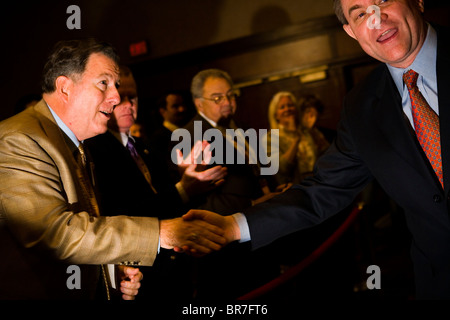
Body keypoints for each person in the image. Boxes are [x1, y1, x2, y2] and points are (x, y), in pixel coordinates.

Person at [184, 0, 450, 299]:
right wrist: (232, 227)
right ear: (351, 31)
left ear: (418, 1)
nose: (375, 18)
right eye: (360, 13)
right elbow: (323, 189)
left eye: (383, 0)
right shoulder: (360, 105)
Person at [0, 38, 225, 300]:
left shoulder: (74, 143)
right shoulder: (18, 139)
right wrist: (162, 232)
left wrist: (109, 270)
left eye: (116, 86)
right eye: (103, 84)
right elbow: (53, 235)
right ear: (65, 88)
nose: (116, 97)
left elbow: (87, 230)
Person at [84, 65, 227, 299]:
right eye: (120, 97)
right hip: (139, 278)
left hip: (175, 269)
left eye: (133, 97)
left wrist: (193, 178)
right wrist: (183, 189)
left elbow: (167, 201)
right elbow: (121, 218)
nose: (128, 104)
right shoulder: (93, 151)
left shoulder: (142, 146)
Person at [179, 68, 281, 300]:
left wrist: (274, 193)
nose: (227, 102)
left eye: (230, 95)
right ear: (199, 104)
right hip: (228, 247)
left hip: (263, 229)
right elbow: (199, 202)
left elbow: (259, 170)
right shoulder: (190, 136)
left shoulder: (240, 127)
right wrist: (255, 203)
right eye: (217, 98)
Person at [264, 92, 330, 186]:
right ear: (275, 115)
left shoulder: (307, 130)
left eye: (290, 105)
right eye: (282, 107)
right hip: (295, 188)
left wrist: (313, 131)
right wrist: (296, 139)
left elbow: (327, 152)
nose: (287, 109)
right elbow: (282, 168)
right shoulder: (270, 138)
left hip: (319, 183)